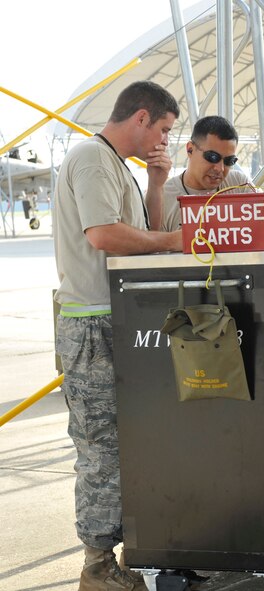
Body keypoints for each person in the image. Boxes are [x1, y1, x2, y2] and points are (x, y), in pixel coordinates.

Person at [54, 80, 182, 591]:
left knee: (133, 442)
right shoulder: (91, 157)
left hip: (120, 317)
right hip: (91, 323)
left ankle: (133, 551)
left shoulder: (119, 167)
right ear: (142, 118)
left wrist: (155, 182)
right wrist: (173, 239)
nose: (166, 141)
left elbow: (140, 235)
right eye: (165, 130)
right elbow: (105, 236)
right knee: (102, 448)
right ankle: (98, 565)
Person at [160, 114, 254, 232]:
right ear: (190, 149)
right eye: (213, 157)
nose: (220, 168)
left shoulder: (240, 185)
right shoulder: (163, 198)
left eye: (229, 161)